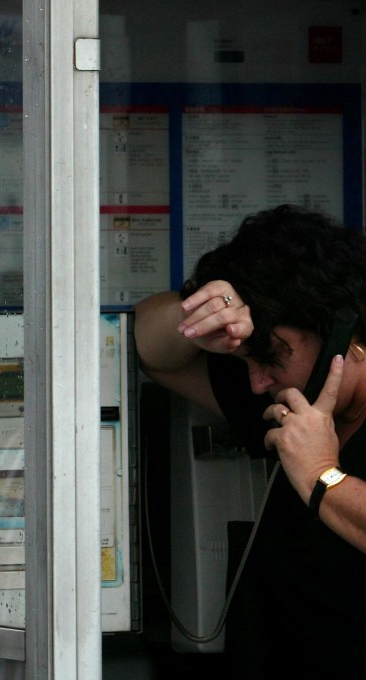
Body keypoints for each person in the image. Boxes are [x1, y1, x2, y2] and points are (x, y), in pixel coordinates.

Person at [134, 204, 366, 677]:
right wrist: (200, 317)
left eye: (271, 356)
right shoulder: (286, 399)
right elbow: (150, 349)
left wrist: (323, 475)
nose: (258, 382)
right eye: (247, 361)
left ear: (338, 330)